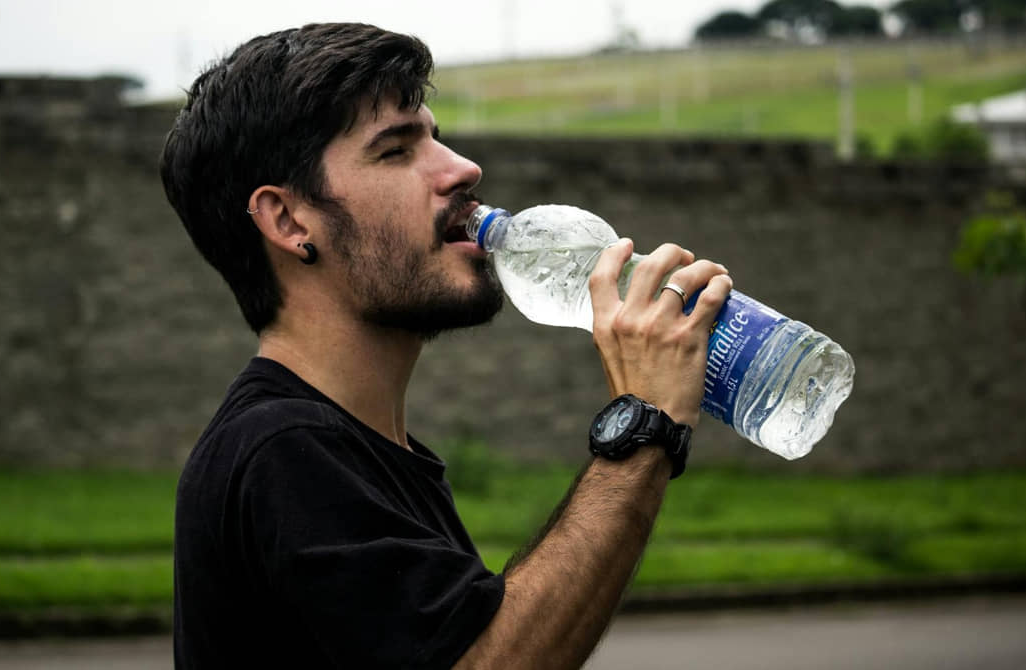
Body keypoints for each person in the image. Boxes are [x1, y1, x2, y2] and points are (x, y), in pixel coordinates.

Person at [159, 22, 731, 670]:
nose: (462, 167)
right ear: (290, 221)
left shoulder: (368, 453)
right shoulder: (282, 451)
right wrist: (644, 424)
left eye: (435, 136)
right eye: (397, 150)